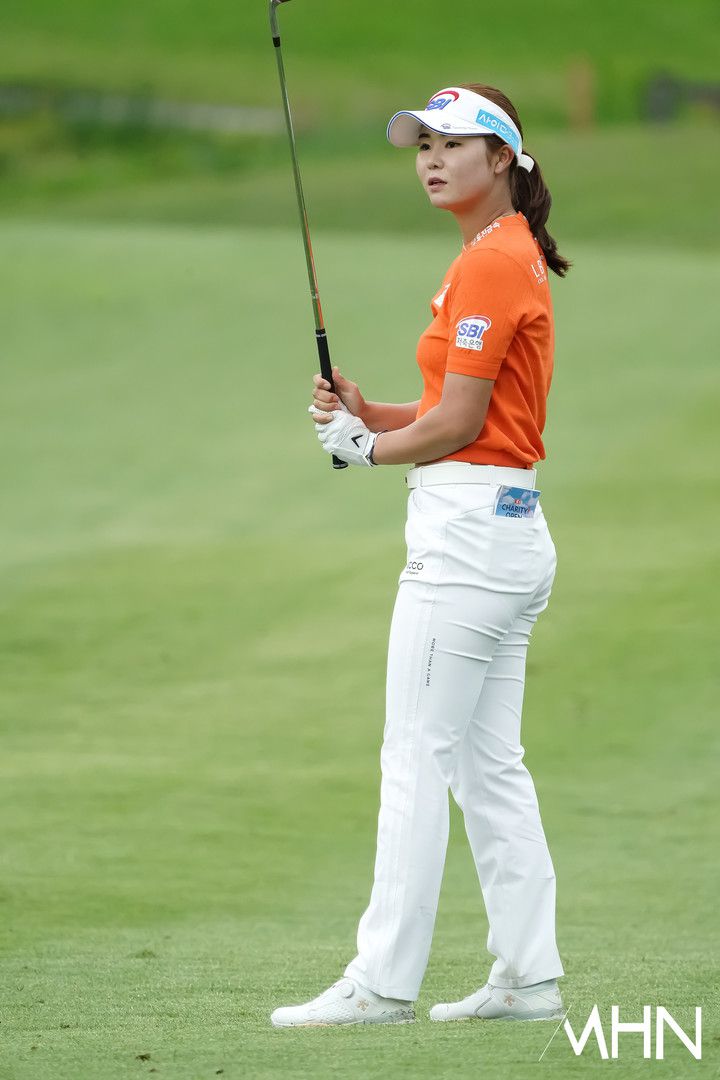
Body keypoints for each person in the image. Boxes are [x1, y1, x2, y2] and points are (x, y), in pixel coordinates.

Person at [271, 84, 572, 1029]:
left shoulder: (492, 262)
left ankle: (382, 984)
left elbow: (461, 424)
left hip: (468, 540)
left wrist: (366, 449)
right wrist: (374, 413)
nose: (432, 159)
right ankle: (528, 978)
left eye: (453, 144)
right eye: (423, 146)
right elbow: (448, 409)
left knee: (415, 754)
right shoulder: (500, 254)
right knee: (487, 767)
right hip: (505, 528)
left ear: (502, 159)